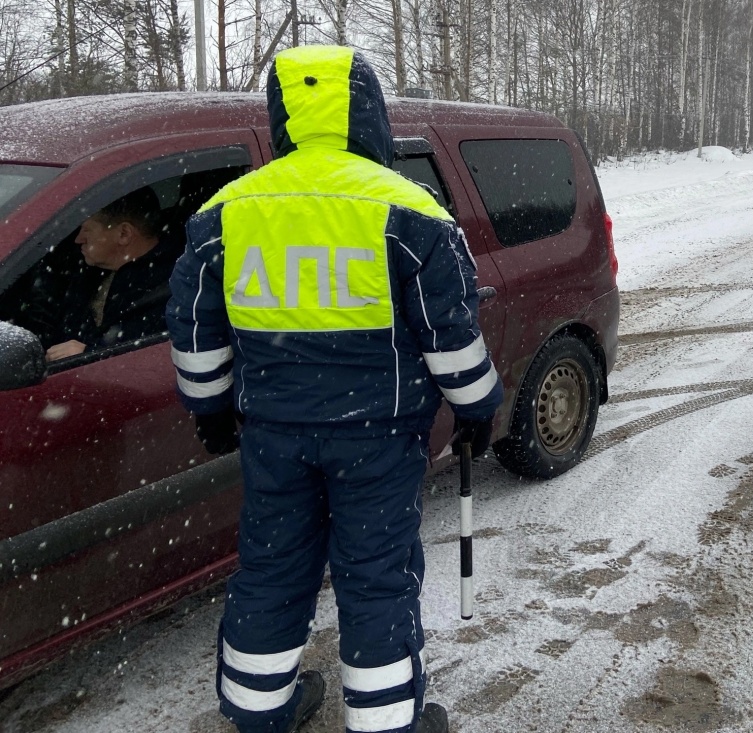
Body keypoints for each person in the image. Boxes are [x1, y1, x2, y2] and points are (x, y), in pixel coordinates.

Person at [166, 45, 502, 733]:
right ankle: (385, 722)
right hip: (378, 436)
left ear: (283, 114)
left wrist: (210, 410)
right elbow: (450, 329)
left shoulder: (226, 212)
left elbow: (195, 328)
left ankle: (259, 709)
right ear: (367, 112)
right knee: (375, 575)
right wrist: (477, 407)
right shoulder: (411, 210)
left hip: (273, 437)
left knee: (271, 565)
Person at [46, 188, 180, 360]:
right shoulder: (88, 272)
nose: (78, 239)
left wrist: (89, 355)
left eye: (86, 230)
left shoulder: (172, 289)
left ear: (124, 234)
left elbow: (146, 365)